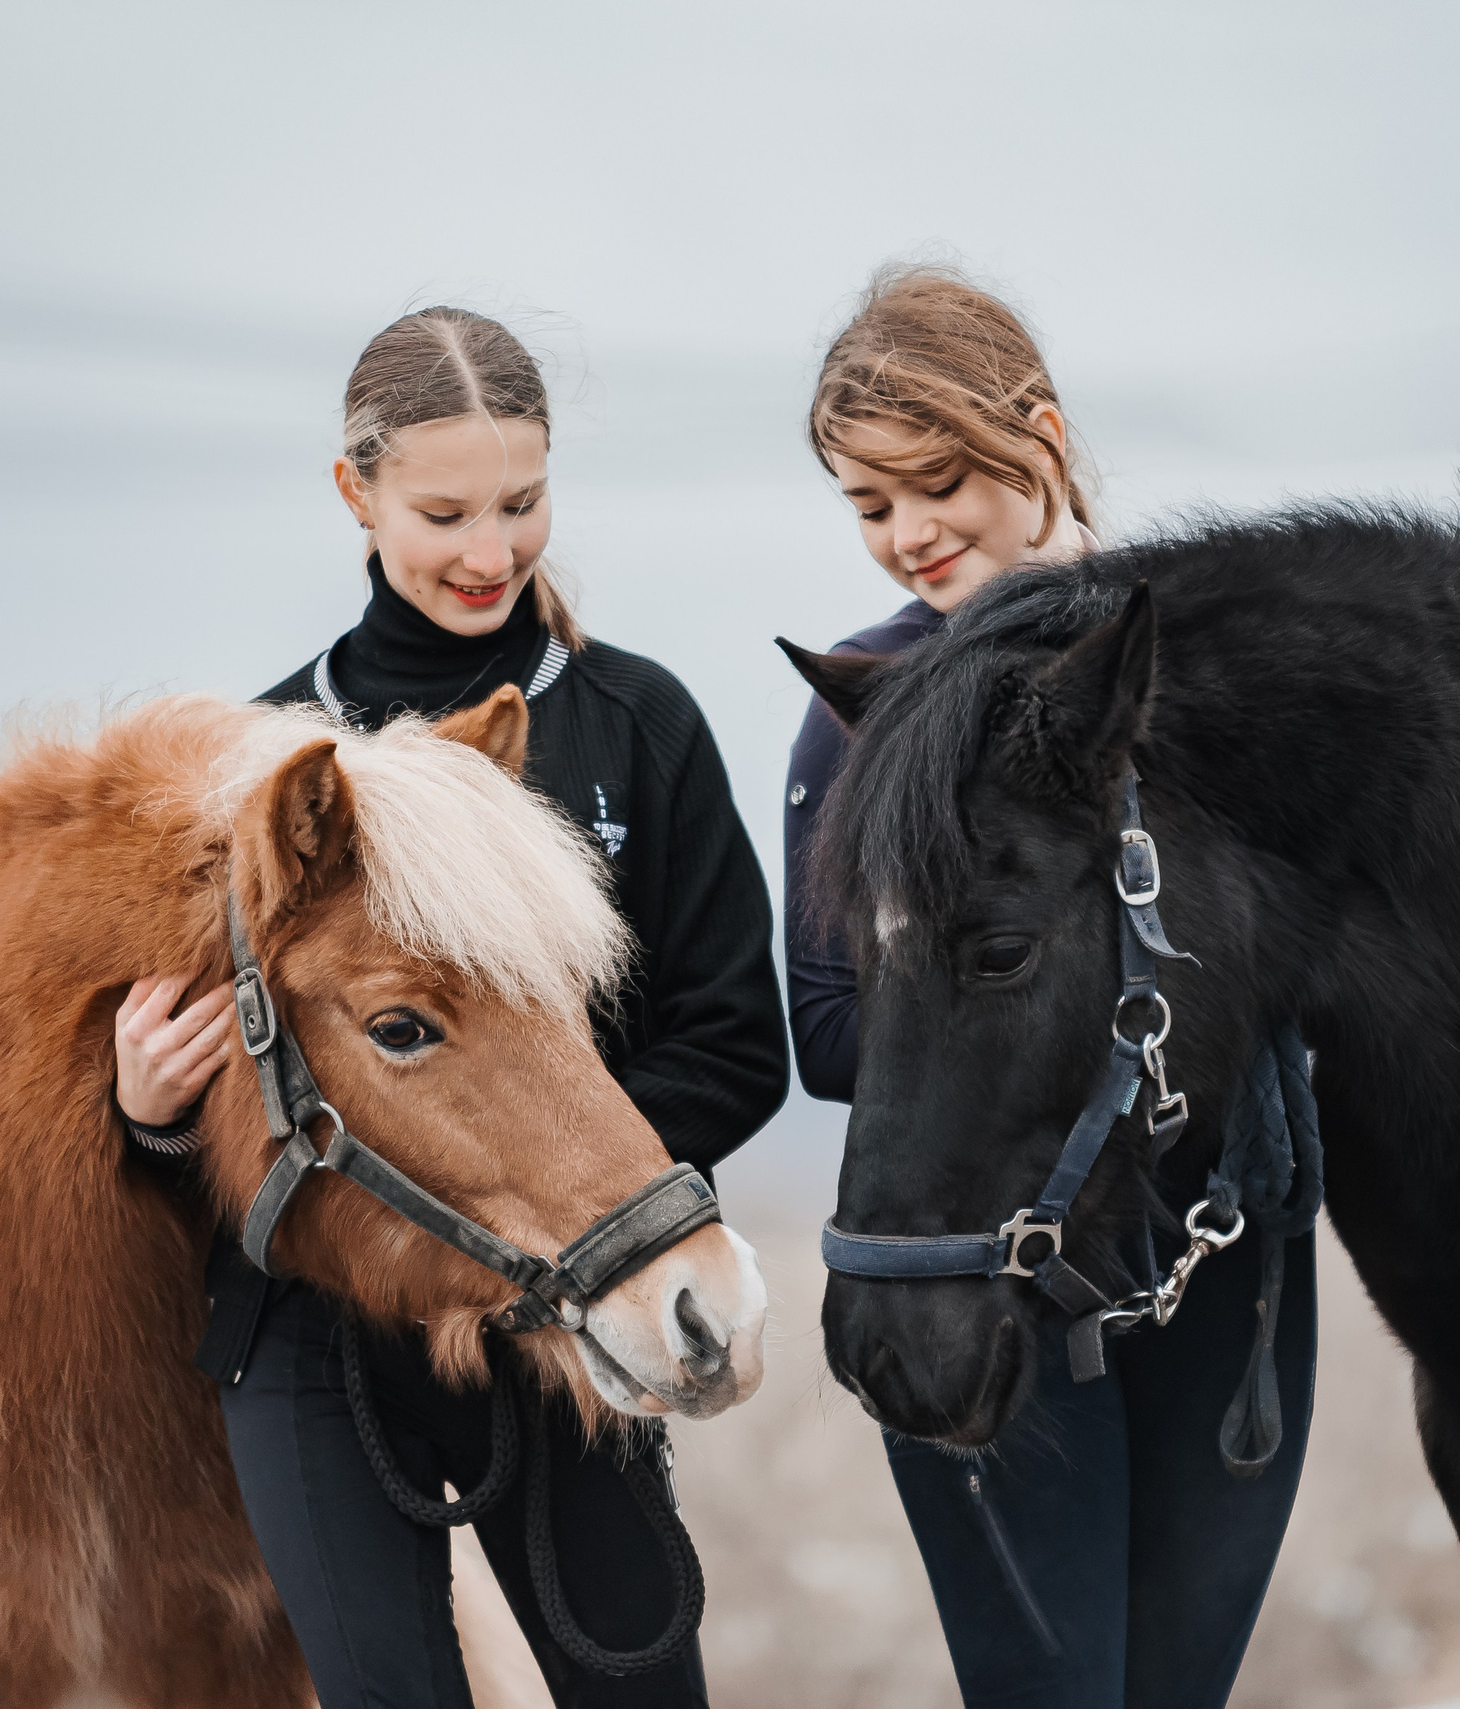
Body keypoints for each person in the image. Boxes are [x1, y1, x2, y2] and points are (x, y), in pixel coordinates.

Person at [113, 306, 789, 1709]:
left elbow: (736, 1039)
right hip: (308, 1343)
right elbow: (204, 1132)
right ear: (355, 493)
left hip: (557, 1303)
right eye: (445, 511)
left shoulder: (634, 722)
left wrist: (546, 1194)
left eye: (522, 502)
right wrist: (143, 1104)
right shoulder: (260, 761)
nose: (490, 551)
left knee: (642, 1693)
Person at [783, 266, 1319, 1707]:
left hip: (1223, 1282)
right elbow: (831, 1032)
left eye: (937, 481)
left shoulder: (1211, 670)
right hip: (983, 1284)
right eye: (868, 503)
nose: (907, 535)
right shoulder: (862, 709)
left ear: (1041, 431)